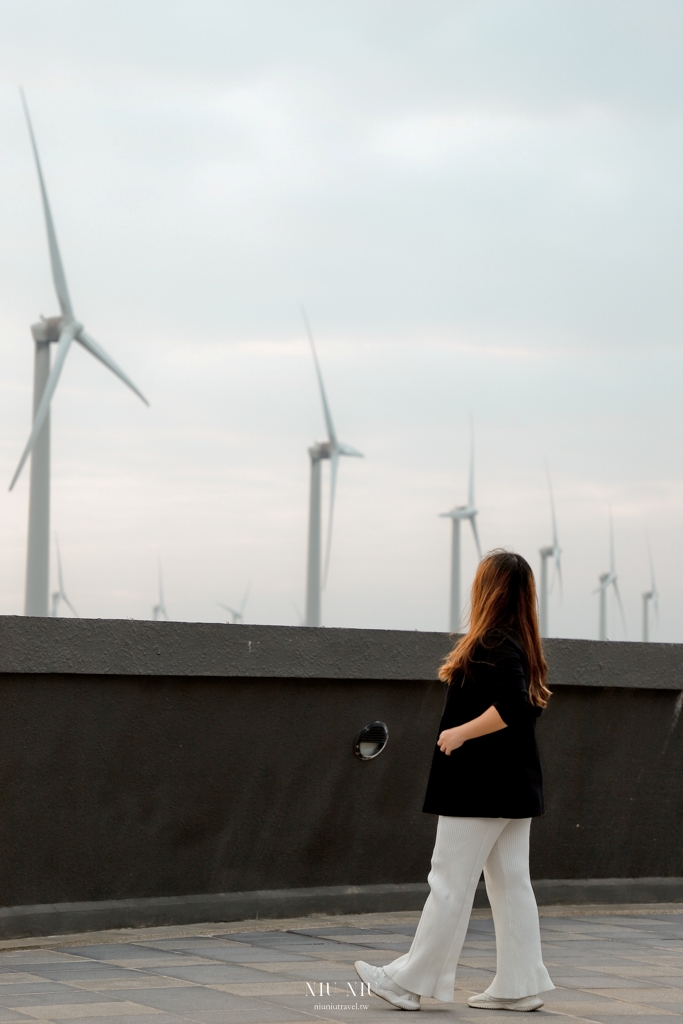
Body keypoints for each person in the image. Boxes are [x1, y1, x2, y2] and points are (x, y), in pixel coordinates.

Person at [355, 550, 555, 1012]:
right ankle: (520, 986)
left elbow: (512, 708)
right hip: (514, 785)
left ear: (487, 589)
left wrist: (459, 733)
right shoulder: (521, 644)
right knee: (510, 884)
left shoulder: (493, 642)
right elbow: (524, 706)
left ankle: (408, 982)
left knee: (448, 881)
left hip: (480, 788)